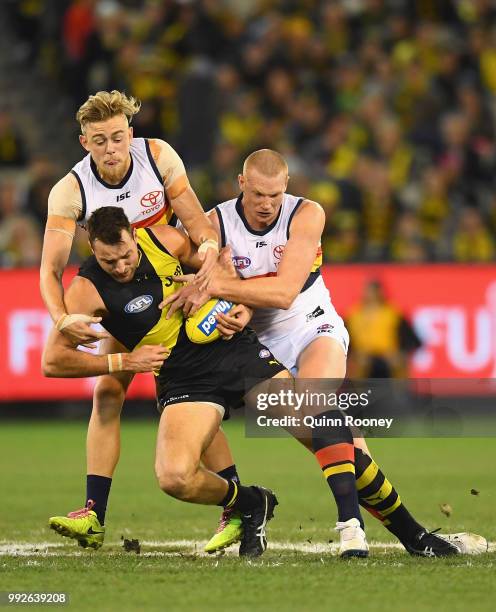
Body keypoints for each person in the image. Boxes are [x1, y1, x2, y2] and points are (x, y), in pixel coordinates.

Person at [165, 149, 482, 557]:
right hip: (257, 344)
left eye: (275, 196)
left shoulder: (307, 213)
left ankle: (351, 528)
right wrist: (222, 301)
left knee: (315, 405)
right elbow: (199, 276)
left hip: (312, 325)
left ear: (287, 189)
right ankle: (417, 537)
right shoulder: (214, 223)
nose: (267, 205)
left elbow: (282, 293)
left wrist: (221, 289)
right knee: (348, 448)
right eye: (259, 194)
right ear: (241, 184)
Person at [40, 90, 238, 538]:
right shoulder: (70, 190)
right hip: (120, 300)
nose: (110, 149)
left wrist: (206, 262)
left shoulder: (157, 156)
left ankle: (236, 500)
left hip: (169, 291)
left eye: (116, 137)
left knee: (188, 395)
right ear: (83, 142)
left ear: (130, 133)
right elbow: (50, 269)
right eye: (98, 141)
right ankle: (93, 513)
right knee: (107, 394)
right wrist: (60, 318)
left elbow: (198, 226)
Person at [44, 206, 286, 558]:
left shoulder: (166, 239)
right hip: (182, 374)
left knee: (312, 419)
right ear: (93, 250)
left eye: (127, 255)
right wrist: (124, 360)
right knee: (174, 477)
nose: (122, 266)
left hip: (227, 344)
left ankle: (355, 517)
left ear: (134, 235)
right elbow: (52, 361)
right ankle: (249, 502)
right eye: (110, 261)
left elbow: (220, 266)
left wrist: (235, 301)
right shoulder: (86, 290)